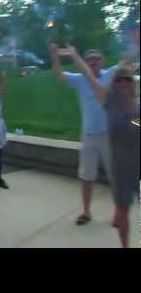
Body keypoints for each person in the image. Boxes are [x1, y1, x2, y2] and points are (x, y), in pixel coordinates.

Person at [60, 45, 139, 248]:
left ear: (133, 84)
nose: (122, 83)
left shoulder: (135, 105)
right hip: (115, 156)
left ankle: (119, 215)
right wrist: (74, 56)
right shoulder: (108, 100)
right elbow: (87, 75)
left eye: (127, 80)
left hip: (132, 159)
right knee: (121, 208)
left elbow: (127, 63)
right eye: (119, 81)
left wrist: (134, 44)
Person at [50, 45, 119, 226]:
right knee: (86, 176)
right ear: (86, 63)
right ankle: (86, 212)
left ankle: (118, 213)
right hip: (89, 135)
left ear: (101, 62)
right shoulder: (80, 80)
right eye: (90, 59)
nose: (94, 61)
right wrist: (54, 55)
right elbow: (59, 74)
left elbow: (127, 64)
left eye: (96, 58)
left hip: (109, 135)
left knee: (115, 176)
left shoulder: (110, 74)